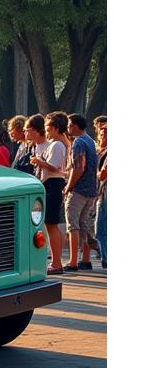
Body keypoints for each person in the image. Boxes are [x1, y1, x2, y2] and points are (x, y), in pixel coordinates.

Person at [29, 113, 67, 275]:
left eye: (48, 127)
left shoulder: (57, 145)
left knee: (52, 225)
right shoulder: (52, 144)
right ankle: (55, 261)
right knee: (49, 224)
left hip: (53, 183)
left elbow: (55, 168)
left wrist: (40, 162)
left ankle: (57, 262)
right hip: (48, 184)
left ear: (56, 128)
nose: (46, 130)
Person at [63, 114, 99, 271]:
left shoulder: (78, 142)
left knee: (73, 225)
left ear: (75, 126)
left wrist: (68, 187)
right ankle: (85, 259)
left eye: (70, 125)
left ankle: (72, 261)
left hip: (79, 189)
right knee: (83, 224)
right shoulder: (90, 140)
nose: (68, 128)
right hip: (91, 189)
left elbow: (78, 167)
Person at [93, 116, 107, 269]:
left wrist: (96, 172)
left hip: (105, 192)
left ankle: (106, 258)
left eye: (103, 134)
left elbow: (103, 174)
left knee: (101, 229)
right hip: (102, 191)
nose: (100, 136)